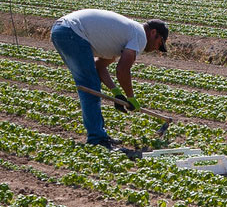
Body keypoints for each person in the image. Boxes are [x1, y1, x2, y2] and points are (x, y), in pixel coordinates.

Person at [49, 9, 169, 148]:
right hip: (71, 32)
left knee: (91, 82)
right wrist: (130, 97)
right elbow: (122, 70)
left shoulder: (122, 38)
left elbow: (98, 67)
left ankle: (98, 134)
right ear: (153, 33)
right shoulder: (140, 35)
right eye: (159, 43)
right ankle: (97, 138)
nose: (156, 48)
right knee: (89, 85)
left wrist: (116, 93)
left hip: (63, 29)